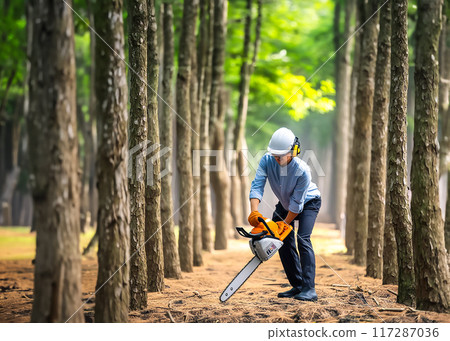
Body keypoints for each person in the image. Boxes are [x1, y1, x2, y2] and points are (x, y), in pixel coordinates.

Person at [248, 127, 321, 301]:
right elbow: (257, 185)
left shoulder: (303, 171)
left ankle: (309, 289)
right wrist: (254, 212)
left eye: (280, 155)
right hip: (285, 203)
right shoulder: (267, 160)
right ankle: (297, 285)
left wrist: (284, 224)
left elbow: (297, 204)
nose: (276, 158)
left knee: (303, 238)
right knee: (281, 240)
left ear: (292, 152)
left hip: (308, 202)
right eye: (274, 154)